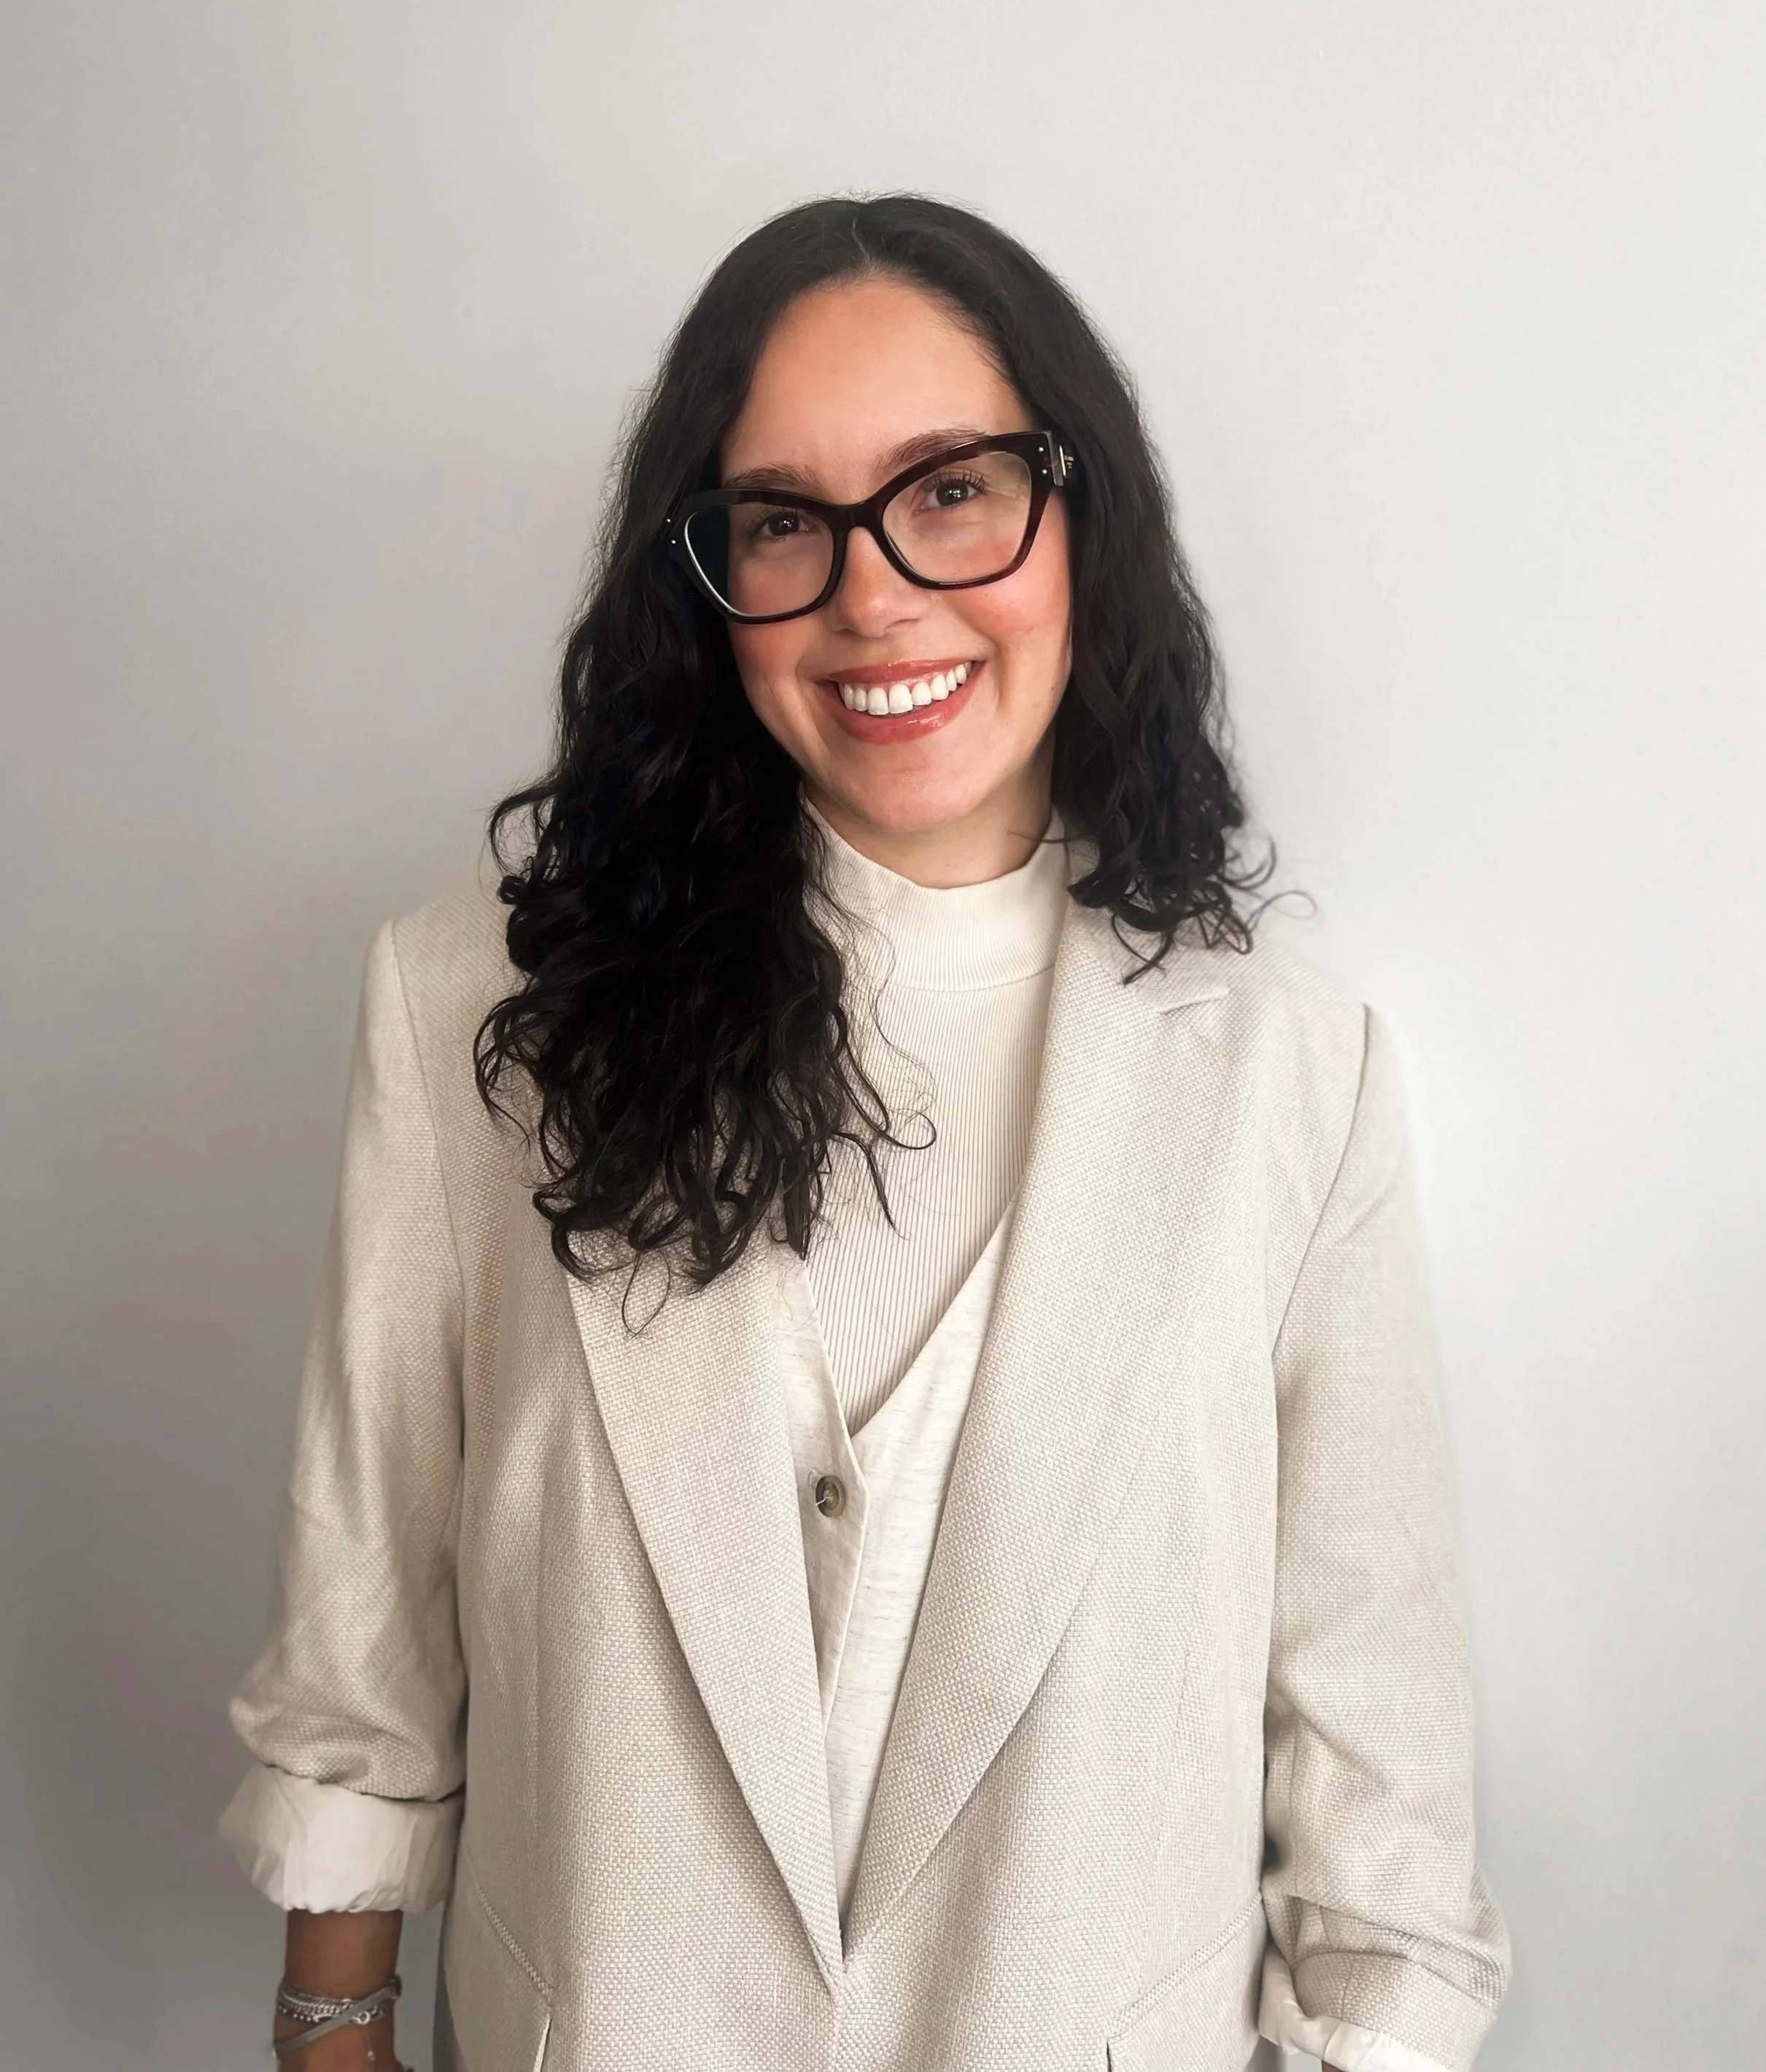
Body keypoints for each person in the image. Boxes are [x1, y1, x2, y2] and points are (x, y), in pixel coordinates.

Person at [220, 194, 1510, 2072]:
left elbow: (1377, 1791)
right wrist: (330, 2029)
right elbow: (365, 1646)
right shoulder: (472, 1028)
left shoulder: (1288, 1087)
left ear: (1085, 518)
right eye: (781, 522)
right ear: (707, 578)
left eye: (954, 489)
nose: (874, 593)